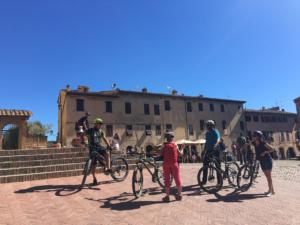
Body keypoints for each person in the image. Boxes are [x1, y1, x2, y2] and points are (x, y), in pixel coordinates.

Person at [86, 118, 112, 186]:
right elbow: (83, 134)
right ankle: (94, 178)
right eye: (98, 124)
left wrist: (109, 145)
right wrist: (83, 141)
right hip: (92, 148)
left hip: (99, 147)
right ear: (95, 124)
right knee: (94, 164)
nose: (100, 125)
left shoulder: (100, 131)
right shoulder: (90, 130)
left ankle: (108, 168)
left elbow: (104, 138)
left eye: (100, 124)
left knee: (107, 153)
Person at [161, 131, 183, 202]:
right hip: (174, 164)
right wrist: (182, 148)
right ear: (172, 138)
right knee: (177, 178)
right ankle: (179, 195)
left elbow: (160, 153)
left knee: (167, 180)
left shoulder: (164, 145)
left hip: (166, 164)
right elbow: (180, 154)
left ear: (166, 138)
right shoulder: (175, 144)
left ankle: (167, 196)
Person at [252, 131, 275, 197]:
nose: (253, 137)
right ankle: (272, 190)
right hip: (261, 161)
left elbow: (272, 149)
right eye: (253, 136)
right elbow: (248, 144)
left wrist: (265, 152)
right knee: (267, 176)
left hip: (267, 160)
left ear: (258, 137)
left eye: (254, 136)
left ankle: (270, 191)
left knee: (269, 176)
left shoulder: (263, 143)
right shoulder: (254, 143)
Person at [201, 120, 221, 185]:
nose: (208, 126)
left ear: (212, 125)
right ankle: (204, 181)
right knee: (205, 164)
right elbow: (206, 142)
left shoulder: (215, 131)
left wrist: (216, 144)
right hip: (208, 151)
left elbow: (218, 139)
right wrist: (204, 150)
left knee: (217, 166)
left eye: (209, 125)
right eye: (207, 125)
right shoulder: (207, 133)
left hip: (215, 151)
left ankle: (219, 182)